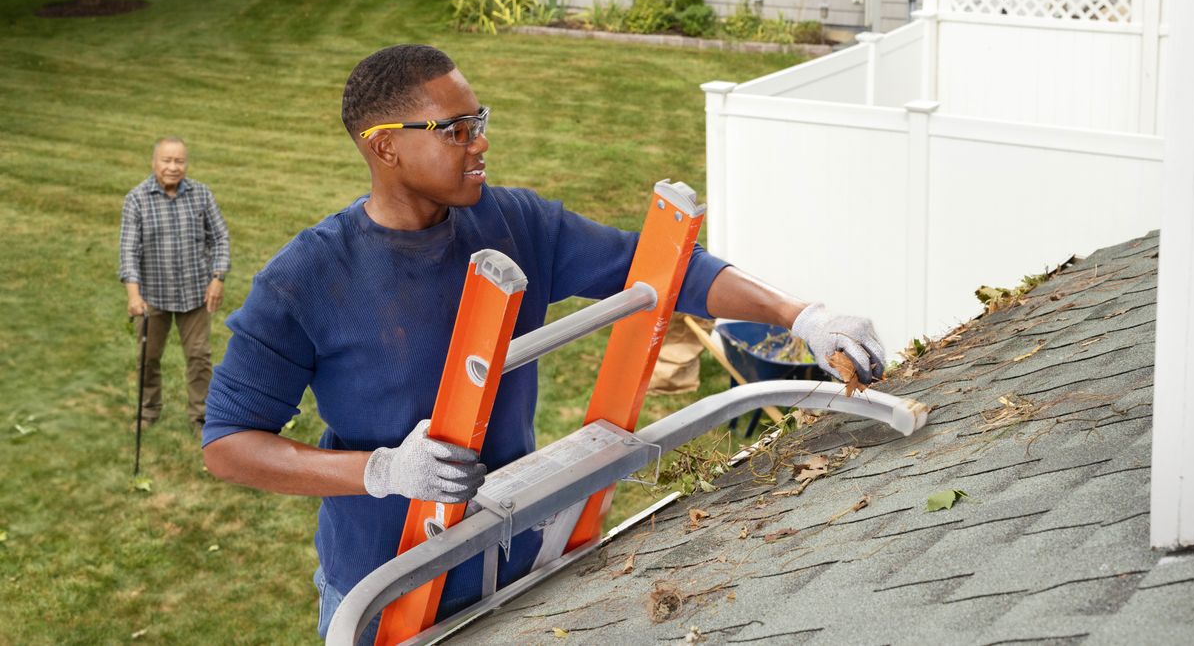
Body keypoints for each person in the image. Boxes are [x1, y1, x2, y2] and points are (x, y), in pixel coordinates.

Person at [200, 45, 885, 642]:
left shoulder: (513, 221)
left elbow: (664, 268)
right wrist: (381, 471)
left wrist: (802, 316)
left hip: (513, 559)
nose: (480, 142)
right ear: (386, 146)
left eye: (481, 121)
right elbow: (229, 445)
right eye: (457, 129)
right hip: (383, 594)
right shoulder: (307, 278)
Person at [119, 137, 230, 430]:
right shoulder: (137, 199)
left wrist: (217, 278)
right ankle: (148, 412)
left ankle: (201, 417)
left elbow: (220, 238)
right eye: (166, 161)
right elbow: (129, 250)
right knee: (148, 358)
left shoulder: (201, 195)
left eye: (179, 161)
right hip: (152, 297)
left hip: (195, 294)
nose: (172, 167)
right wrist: (133, 295)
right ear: (154, 163)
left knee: (199, 358)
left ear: (186, 164)